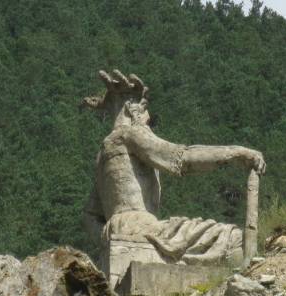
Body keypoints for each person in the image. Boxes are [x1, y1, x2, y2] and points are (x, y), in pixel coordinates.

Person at [81, 70, 265, 266]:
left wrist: (111, 237)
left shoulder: (104, 152)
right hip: (145, 229)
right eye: (144, 111)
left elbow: (89, 216)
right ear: (129, 108)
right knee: (230, 238)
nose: (147, 118)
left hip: (118, 230)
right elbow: (183, 158)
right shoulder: (130, 134)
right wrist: (238, 153)